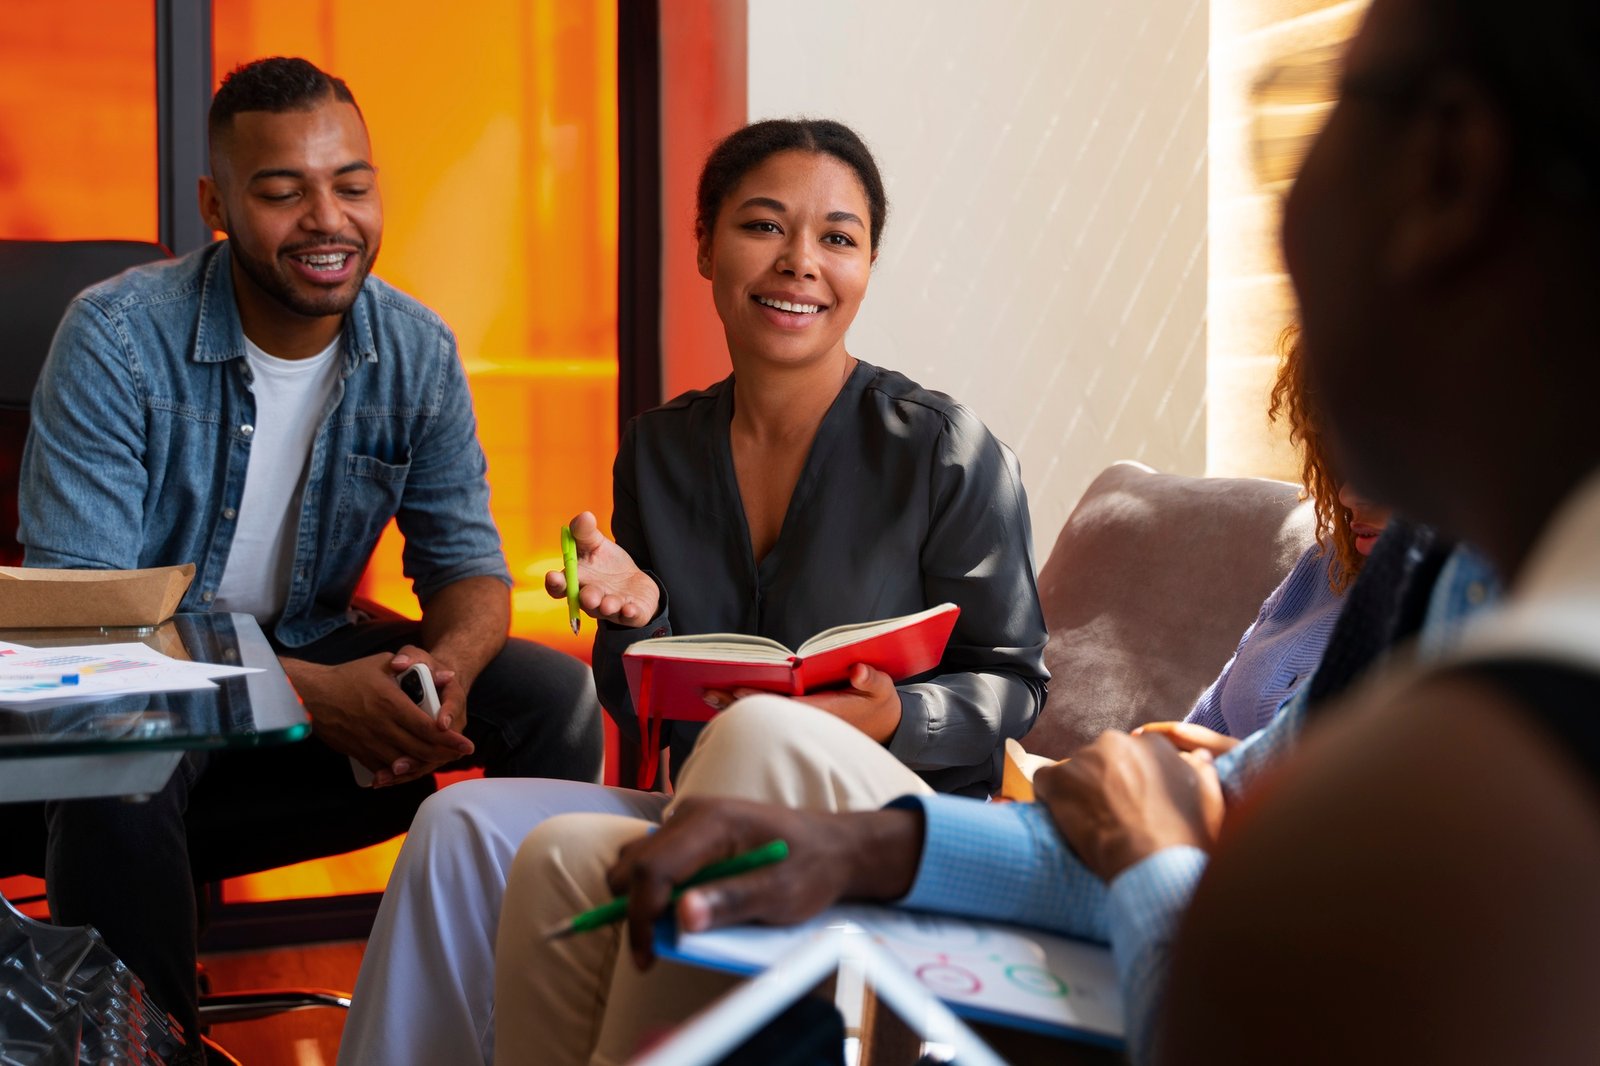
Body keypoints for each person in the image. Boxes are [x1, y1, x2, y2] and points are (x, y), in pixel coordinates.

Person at [336, 119, 1049, 1066]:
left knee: (760, 730)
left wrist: (889, 719)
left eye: (838, 237)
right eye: (765, 227)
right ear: (706, 244)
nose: (801, 262)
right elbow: (641, 703)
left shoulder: (945, 451)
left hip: (892, 821)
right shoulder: (661, 450)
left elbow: (1017, 684)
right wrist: (639, 617)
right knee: (454, 822)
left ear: (869, 264)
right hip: (713, 808)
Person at [10, 57, 602, 1055]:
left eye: (352, 184)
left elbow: (468, 566)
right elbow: (88, 629)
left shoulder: (415, 348)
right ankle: (148, 1052)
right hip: (133, 699)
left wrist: (444, 670)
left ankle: (520, 1031)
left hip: (302, 667)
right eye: (283, 191)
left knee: (549, 699)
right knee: (123, 758)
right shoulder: (115, 337)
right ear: (217, 204)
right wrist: (315, 696)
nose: (328, 218)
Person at [1156, 0, 1600, 1058]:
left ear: (1445, 168)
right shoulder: (1416, 565)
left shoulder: (1425, 822)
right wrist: (899, 842)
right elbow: (1220, 789)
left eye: (1303, 119)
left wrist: (1141, 867)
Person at [1179, 326, 1392, 740]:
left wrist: (1216, 765)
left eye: (1380, 465)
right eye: (1342, 461)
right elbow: (1207, 722)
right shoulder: (1325, 567)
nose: (1348, 495)